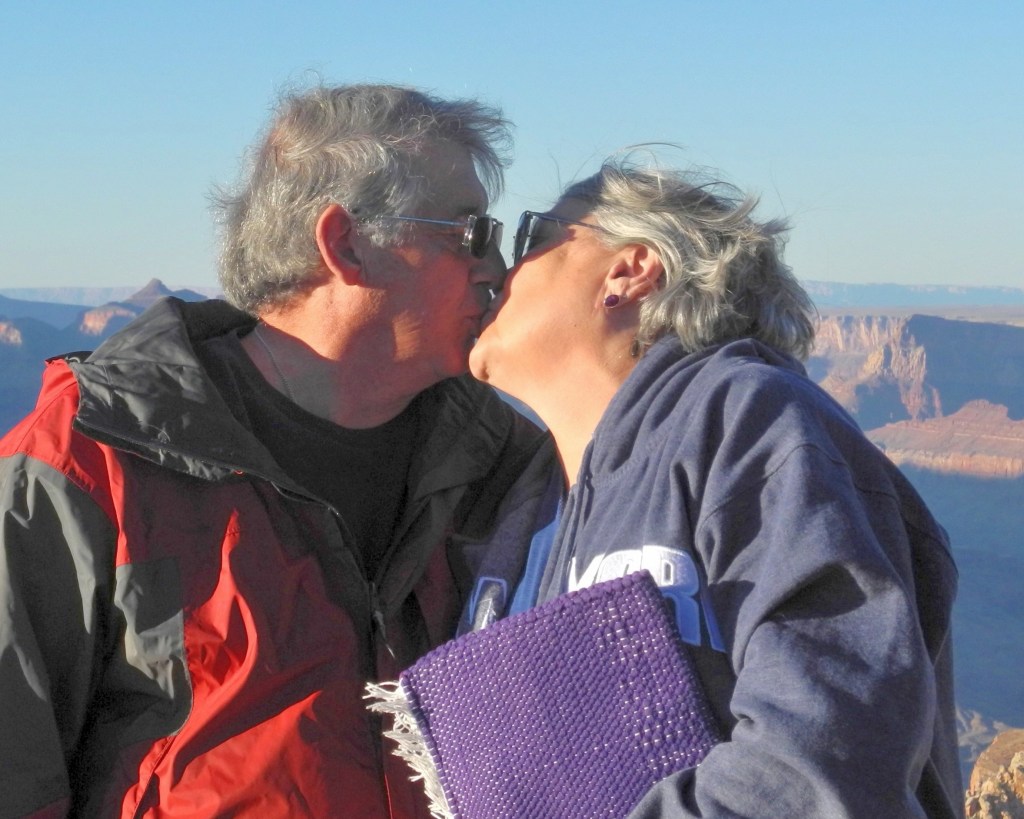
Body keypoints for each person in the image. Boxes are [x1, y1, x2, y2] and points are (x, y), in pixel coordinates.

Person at [0, 84, 547, 818]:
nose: (497, 268)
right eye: (468, 232)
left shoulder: (503, 458)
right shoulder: (87, 459)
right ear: (345, 244)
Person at [464, 157, 964, 817]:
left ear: (628, 271)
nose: (500, 268)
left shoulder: (748, 423)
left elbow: (821, 762)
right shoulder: (522, 507)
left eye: (535, 235)